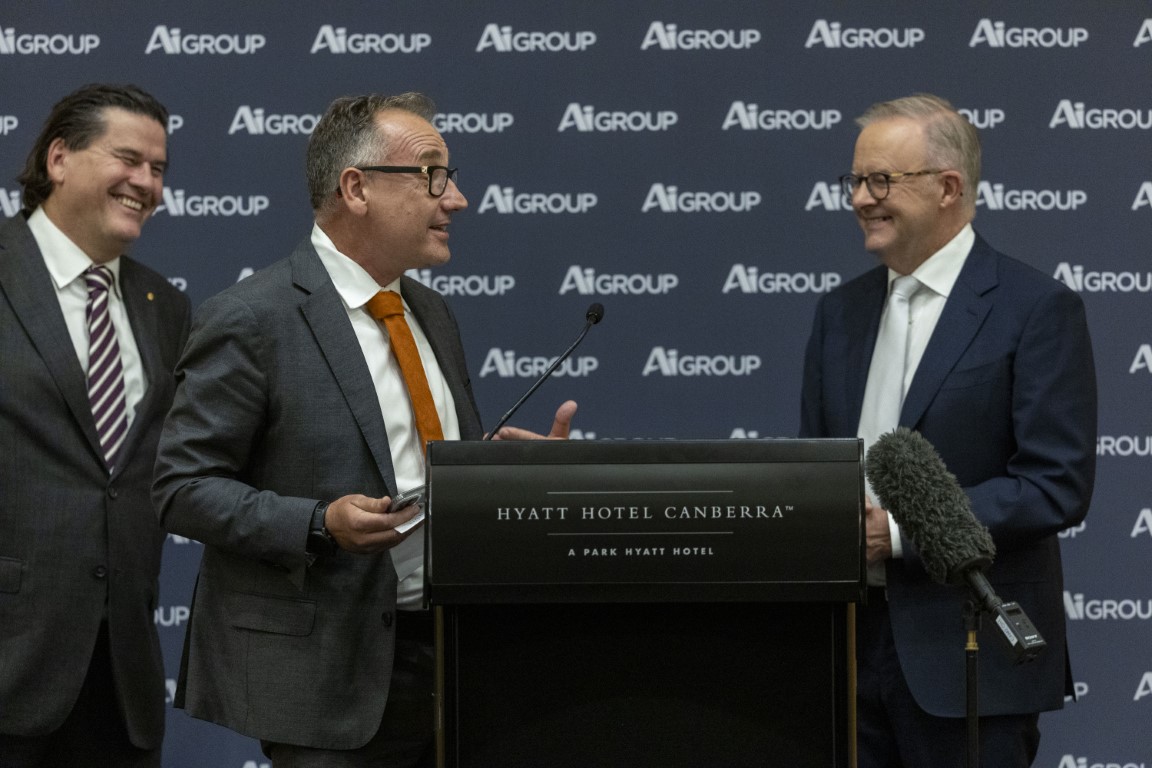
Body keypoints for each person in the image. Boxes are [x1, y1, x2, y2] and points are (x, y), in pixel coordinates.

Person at [152, 91, 575, 767]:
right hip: (328, 679)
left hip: (458, 659)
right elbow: (181, 487)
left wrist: (497, 478)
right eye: (433, 175)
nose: (457, 199)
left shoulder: (432, 313)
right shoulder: (252, 317)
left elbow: (421, 464)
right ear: (356, 189)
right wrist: (320, 523)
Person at [799, 93, 1096, 767]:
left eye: (881, 181)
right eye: (855, 181)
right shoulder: (838, 313)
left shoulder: (1035, 308)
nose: (861, 199)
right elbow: (817, 470)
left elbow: (1053, 484)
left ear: (948, 188)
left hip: (969, 661)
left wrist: (899, 533)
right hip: (847, 656)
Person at [0, 84, 190, 767]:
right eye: (128, 159)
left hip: (122, 681)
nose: (146, 183)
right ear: (59, 159)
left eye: (158, 168)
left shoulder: (164, 306)